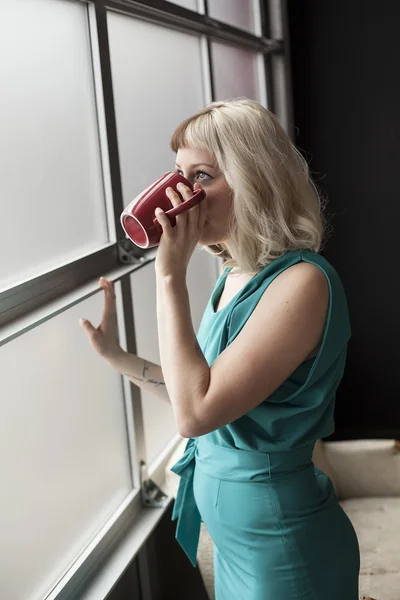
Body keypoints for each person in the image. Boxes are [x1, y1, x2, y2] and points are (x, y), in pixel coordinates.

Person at [81, 99, 374, 600]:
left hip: (282, 547)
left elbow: (195, 414)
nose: (179, 194)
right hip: (241, 544)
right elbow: (203, 393)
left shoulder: (302, 282)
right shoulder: (235, 277)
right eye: (177, 174)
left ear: (254, 180)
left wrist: (169, 277)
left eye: (200, 177)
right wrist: (116, 356)